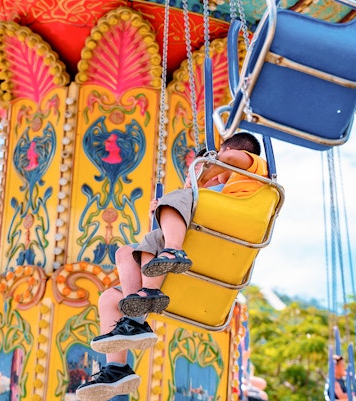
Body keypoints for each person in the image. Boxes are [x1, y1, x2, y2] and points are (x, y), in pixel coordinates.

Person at [76, 132, 267, 400]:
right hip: (186, 263)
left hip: (204, 253)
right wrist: (177, 199)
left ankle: (169, 255)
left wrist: (207, 164)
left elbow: (230, 158)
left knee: (174, 202)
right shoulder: (216, 195)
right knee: (117, 274)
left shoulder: (252, 171)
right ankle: (119, 361)